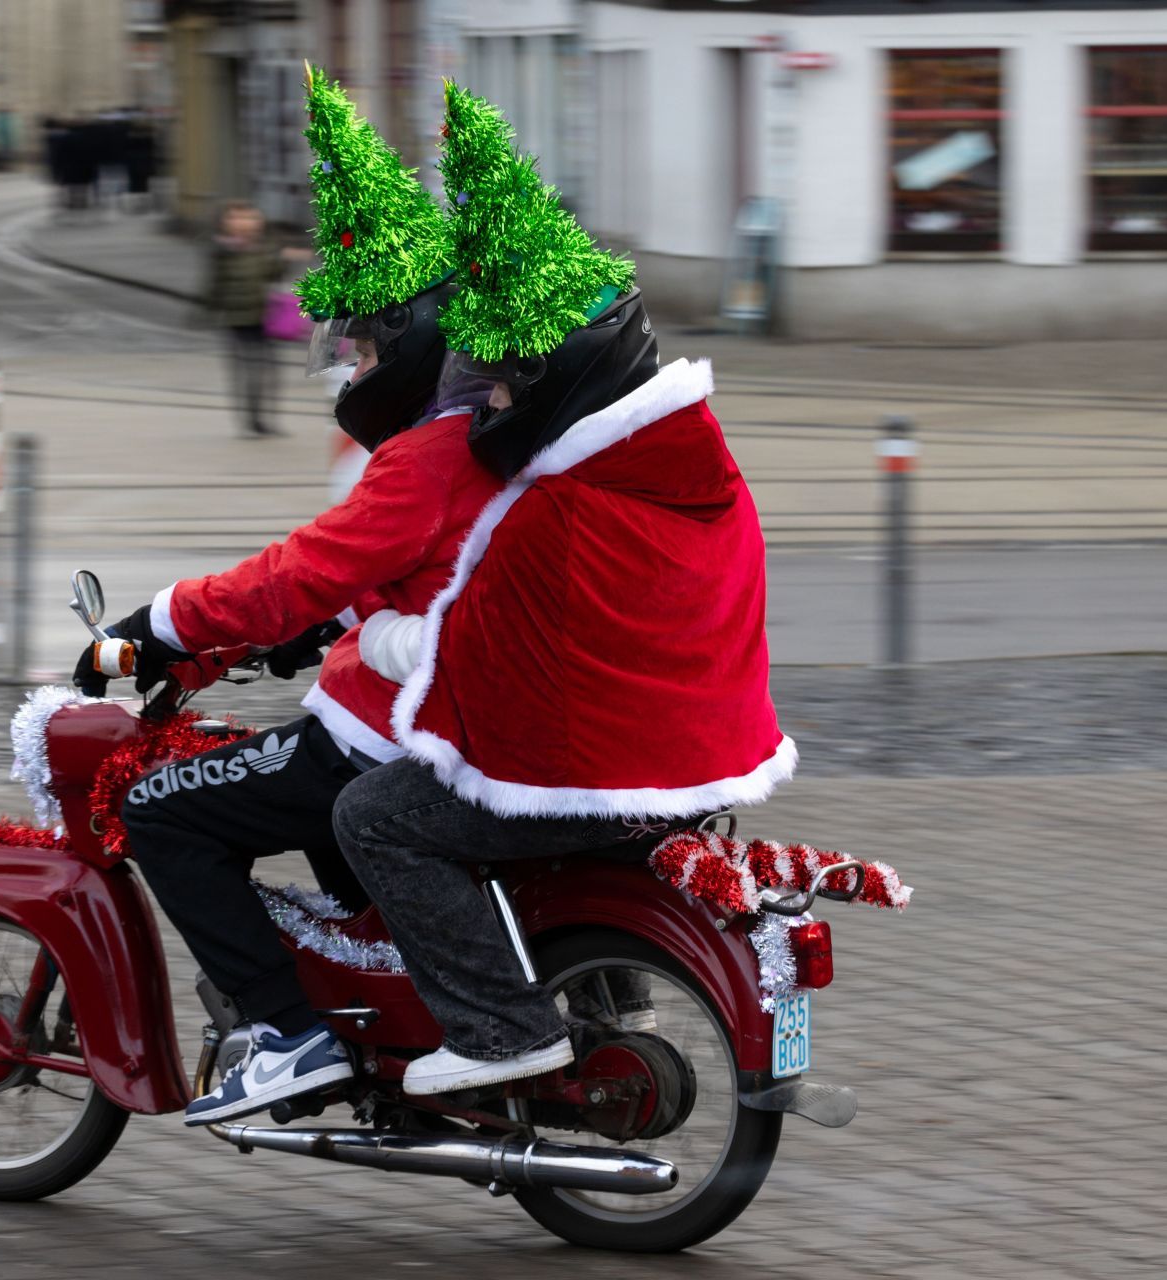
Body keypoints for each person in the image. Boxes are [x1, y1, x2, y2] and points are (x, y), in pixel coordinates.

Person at [332, 83, 795, 1097]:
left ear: (559, 377)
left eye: (501, 382)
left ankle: (500, 1029)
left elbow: (471, 657)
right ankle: (610, 998)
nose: (487, 400)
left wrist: (378, 641)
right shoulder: (693, 471)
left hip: (600, 767)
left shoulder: (559, 510)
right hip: (701, 756)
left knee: (374, 813)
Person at [73, 66, 499, 1127]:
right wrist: (306, 628)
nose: (345, 361)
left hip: (400, 727)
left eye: (356, 340)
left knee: (161, 809)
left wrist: (157, 624)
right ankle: (391, 1045)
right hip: (447, 705)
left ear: (401, 344)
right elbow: (369, 579)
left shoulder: (423, 455)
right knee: (319, 821)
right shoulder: (481, 438)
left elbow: (306, 567)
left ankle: (287, 1034)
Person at [203, 202, 291, 438]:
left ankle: (262, 420)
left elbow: (276, 274)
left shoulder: (266, 246)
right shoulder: (223, 250)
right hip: (237, 317)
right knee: (246, 371)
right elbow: (214, 282)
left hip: (265, 317)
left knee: (268, 371)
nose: (244, 223)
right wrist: (207, 310)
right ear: (227, 223)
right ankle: (250, 420)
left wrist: (284, 259)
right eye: (237, 218)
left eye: (250, 218)